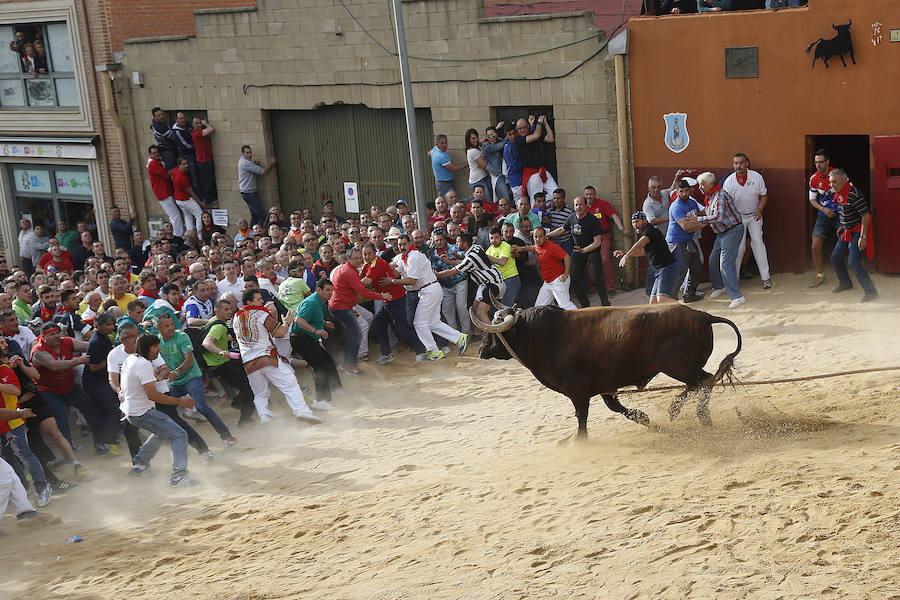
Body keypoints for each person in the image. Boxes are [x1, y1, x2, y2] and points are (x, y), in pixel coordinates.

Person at [233, 288, 321, 424]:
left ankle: (264, 415)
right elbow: (280, 333)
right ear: (249, 301)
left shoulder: (236, 317)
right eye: (258, 299)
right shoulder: (261, 314)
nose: (262, 301)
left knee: (260, 393)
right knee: (290, 383)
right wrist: (287, 322)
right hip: (266, 358)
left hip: (248, 362)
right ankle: (302, 411)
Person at [120, 332, 196, 486]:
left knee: (161, 432)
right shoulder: (143, 364)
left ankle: (140, 464)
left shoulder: (132, 359)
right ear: (148, 348)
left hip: (131, 411)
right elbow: (153, 395)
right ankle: (178, 476)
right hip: (142, 412)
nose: (159, 349)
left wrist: (155, 377)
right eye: (155, 346)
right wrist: (179, 401)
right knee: (179, 434)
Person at [30, 323, 120, 452]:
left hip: (69, 387)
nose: (56, 336)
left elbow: (91, 346)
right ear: (43, 337)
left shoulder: (66, 341)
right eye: (51, 334)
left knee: (91, 408)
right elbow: (54, 365)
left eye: (57, 333)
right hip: (48, 391)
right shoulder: (38, 352)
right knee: (61, 417)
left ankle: (101, 443)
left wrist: (108, 348)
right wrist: (79, 360)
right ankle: (69, 449)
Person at [155, 313, 236, 447]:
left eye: (172, 324)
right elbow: (162, 365)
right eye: (166, 326)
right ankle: (169, 439)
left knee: (201, 407)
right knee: (167, 411)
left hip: (191, 377)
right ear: (158, 328)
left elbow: (189, 360)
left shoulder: (182, 336)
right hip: (175, 382)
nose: (171, 328)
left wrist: (175, 372)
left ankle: (227, 437)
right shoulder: (158, 342)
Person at [388, 234, 468, 361]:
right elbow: (394, 267)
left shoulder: (414, 256)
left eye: (404, 244)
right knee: (433, 323)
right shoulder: (403, 257)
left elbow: (412, 281)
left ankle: (434, 351)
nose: (402, 247)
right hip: (429, 290)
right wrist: (391, 269)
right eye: (400, 245)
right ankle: (459, 338)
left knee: (419, 323)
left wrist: (392, 281)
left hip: (429, 290)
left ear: (410, 244)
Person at [0, 344, 52, 508]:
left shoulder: (4, 370)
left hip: (13, 422)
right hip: (4, 423)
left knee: (24, 454)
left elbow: (15, 390)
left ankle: (42, 487)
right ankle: (24, 490)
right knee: (10, 459)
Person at [684, 172, 746, 309]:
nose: (700, 187)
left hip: (732, 230)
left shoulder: (720, 195)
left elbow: (718, 217)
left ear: (711, 184)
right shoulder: (711, 196)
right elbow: (709, 212)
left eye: (702, 184)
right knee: (713, 259)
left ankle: (737, 296)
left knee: (725, 264)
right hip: (722, 233)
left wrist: (697, 219)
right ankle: (719, 287)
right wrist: (698, 217)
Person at [360, 243, 427, 365]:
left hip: (396, 299)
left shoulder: (377, 264)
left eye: (369, 253)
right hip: (387, 300)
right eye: (364, 254)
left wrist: (349, 285)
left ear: (375, 253)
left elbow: (366, 281)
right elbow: (360, 278)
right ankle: (387, 354)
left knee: (401, 328)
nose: (367, 256)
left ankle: (421, 350)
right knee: (378, 324)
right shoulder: (368, 265)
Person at [329, 248, 391, 375]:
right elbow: (362, 291)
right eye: (356, 258)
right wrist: (381, 296)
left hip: (345, 305)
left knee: (367, 319)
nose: (359, 260)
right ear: (348, 259)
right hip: (342, 307)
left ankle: (355, 359)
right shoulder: (348, 271)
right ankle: (352, 363)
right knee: (356, 333)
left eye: (359, 257)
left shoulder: (346, 269)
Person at [290, 279, 343, 408]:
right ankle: (321, 401)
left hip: (307, 338)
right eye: (327, 290)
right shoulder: (312, 302)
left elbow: (311, 318)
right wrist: (316, 330)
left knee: (328, 360)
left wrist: (323, 323)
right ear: (318, 290)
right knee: (320, 367)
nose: (330, 293)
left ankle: (336, 389)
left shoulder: (320, 302)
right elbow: (299, 320)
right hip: (301, 339)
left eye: (332, 290)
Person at [828, 169, 878, 302]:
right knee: (836, 257)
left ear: (844, 181)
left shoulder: (855, 194)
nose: (832, 185)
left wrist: (863, 237)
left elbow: (865, 216)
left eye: (834, 182)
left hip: (857, 231)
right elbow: (843, 212)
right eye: (830, 182)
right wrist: (842, 226)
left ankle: (871, 292)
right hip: (846, 230)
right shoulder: (839, 193)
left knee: (854, 262)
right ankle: (846, 283)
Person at [723, 153, 771, 289]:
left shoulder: (756, 177)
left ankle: (766, 278)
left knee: (757, 243)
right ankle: (735, 279)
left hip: (754, 215)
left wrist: (760, 209)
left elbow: (764, 195)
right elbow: (726, 202)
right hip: (738, 218)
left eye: (741, 163)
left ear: (747, 164)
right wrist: (733, 217)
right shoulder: (729, 181)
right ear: (733, 165)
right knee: (739, 247)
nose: (739, 166)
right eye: (736, 163)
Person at [436, 232, 505, 326]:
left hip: (493, 284)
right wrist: (450, 262)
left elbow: (453, 271)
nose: (456, 244)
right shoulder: (475, 248)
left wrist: (435, 274)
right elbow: (466, 262)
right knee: (475, 310)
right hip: (488, 284)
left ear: (465, 244)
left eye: (458, 242)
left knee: (481, 312)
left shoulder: (471, 258)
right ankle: (480, 334)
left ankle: (496, 337)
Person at [558, 196, 610, 308]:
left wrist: (584, 250)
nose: (578, 207)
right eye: (576, 205)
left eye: (581, 204)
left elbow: (597, 242)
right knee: (574, 277)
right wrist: (547, 235)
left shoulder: (593, 220)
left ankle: (606, 304)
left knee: (595, 276)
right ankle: (585, 305)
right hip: (578, 250)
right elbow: (562, 229)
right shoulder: (571, 217)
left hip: (592, 250)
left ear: (586, 206)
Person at [615, 212, 678, 303]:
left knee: (662, 299)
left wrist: (627, 255)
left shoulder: (649, 231)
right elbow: (643, 252)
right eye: (633, 222)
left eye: (637, 221)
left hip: (667, 268)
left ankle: (684, 309)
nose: (635, 224)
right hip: (659, 270)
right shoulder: (647, 232)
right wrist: (626, 253)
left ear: (644, 221)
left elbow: (639, 244)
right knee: (653, 302)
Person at [513, 226, 576, 309]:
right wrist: (522, 248)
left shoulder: (551, 246)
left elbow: (566, 256)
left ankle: (582, 320)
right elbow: (535, 248)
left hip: (559, 280)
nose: (538, 239)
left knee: (564, 305)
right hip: (547, 283)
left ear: (545, 236)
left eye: (540, 236)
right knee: (538, 308)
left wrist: (566, 273)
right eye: (535, 236)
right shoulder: (538, 245)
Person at [666, 176, 705, 303]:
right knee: (680, 270)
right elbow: (686, 227)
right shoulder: (676, 207)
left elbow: (699, 216)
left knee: (697, 267)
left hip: (688, 241)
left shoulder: (692, 203)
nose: (684, 194)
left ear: (690, 191)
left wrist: (705, 218)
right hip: (676, 242)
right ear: (676, 192)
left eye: (686, 191)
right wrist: (706, 223)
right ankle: (670, 299)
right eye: (681, 191)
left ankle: (690, 294)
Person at [583, 186, 625, 297]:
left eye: (590, 194)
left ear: (595, 194)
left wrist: (621, 228)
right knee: (587, 263)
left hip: (604, 236)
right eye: (586, 194)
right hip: (589, 238)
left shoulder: (602, 204)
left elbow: (614, 216)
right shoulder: (582, 206)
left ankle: (611, 288)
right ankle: (591, 288)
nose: (588, 197)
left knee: (605, 260)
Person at [808, 148, 838, 288]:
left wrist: (841, 211)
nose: (818, 165)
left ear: (827, 162)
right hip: (823, 215)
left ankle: (860, 272)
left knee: (851, 242)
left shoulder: (838, 174)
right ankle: (820, 275)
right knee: (815, 246)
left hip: (841, 214)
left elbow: (849, 194)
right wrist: (824, 210)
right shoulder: (814, 179)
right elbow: (813, 200)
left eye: (821, 162)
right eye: (816, 162)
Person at [515, 116, 559, 202]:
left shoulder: (534, 133)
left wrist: (545, 124)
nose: (522, 130)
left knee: (555, 192)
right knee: (535, 200)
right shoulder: (519, 139)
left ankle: (543, 208)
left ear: (528, 126)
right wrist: (539, 123)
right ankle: (537, 212)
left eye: (524, 127)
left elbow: (550, 138)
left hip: (542, 170)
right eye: (519, 129)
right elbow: (536, 135)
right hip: (532, 173)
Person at [641, 176, 670, 296]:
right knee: (654, 264)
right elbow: (652, 221)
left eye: (658, 187)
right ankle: (649, 291)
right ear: (648, 188)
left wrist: (676, 177)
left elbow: (673, 188)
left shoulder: (664, 193)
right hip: (655, 238)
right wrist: (669, 218)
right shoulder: (647, 204)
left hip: (668, 236)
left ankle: (663, 291)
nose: (656, 190)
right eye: (653, 187)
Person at [147, 145, 184, 237]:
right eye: (154, 153)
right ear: (150, 154)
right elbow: (166, 175)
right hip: (163, 193)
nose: (156, 154)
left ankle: (176, 233)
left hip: (165, 191)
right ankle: (177, 235)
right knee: (175, 215)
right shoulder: (153, 164)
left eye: (157, 152)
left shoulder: (157, 162)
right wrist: (176, 168)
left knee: (173, 215)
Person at [237, 145, 277, 228]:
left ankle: (251, 233)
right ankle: (263, 231)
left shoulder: (243, 161)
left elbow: (250, 168)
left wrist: (254, 164)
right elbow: (263, 172)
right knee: (263, 215)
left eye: (250, 152)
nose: (250, 155)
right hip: (249, 193)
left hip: (247, 193)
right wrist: (272, 163)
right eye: (247, 153)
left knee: (255, 215)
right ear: (243, 153)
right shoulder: (245, 162)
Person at [171, 157, 205, 243]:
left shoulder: (175, 171)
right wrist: (201, 203)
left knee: (187, 216)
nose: (187, 166)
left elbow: (172, 176)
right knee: (199, 214)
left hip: (178, 199)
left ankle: (190, 235)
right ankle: (199, 235)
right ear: (179, 165)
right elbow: (191, 192)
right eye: (184, 164)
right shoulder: (182, 178)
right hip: (185, 199)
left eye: (187, 163)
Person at [485, 225, 519, 306]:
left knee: (506, 308)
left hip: (511, 279)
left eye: (496, 237)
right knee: (501, 307)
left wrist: (486, 257)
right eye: (491, 238)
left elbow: (502, 262)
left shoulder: (505, 246)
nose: (494, 240)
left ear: (501, 236)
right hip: (499, 282)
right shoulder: (489, 250)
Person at [191, 116, 217, 206]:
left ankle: (210, 198)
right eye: (197, 123)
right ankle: (209, 200)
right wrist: (205, 123)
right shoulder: (196, 134)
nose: (199, 125)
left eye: (200, 123)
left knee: (209, 180)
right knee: (207, 181)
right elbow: (211, 129)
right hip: (203, 161)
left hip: (206, 159)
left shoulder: (200, 132)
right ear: (193, 125)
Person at [465, 128, 492, 202]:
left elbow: (488, 139)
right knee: (486, 201)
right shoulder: (473, 151)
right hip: (478, 180)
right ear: (469, 140)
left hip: (483, 177)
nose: (476, 140)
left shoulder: (475, 148)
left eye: (476, 137)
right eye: (473, 138)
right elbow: (484, 165)